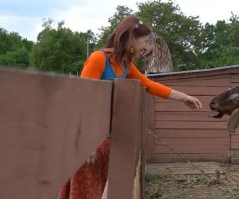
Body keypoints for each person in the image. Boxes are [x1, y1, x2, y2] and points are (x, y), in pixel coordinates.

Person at [57, 15, 202, 199]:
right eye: (145, 41)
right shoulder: (98, 59)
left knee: (101, 191)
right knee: (85, 193)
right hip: (89, 141)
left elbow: (149, 85)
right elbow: (81, 100)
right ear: (131, 38)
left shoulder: (126, 65)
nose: (147, 47)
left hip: (107, 140)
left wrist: (184, 97)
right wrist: (87, 143)